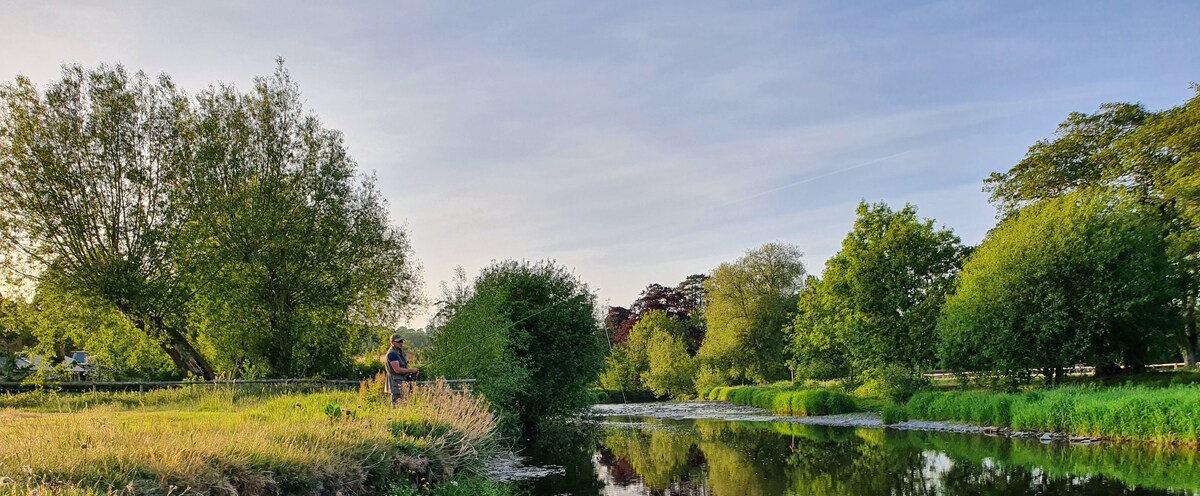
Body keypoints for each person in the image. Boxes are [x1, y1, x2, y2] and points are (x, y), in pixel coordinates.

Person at [384, 333, 420, 405]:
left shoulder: (400, 352)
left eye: (402, 341)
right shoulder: (392, 354)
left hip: (403, 383)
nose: (401, 343)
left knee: (405, 406)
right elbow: (397, 370)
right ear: (392, 342)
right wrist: (411, 370)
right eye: (398, 342)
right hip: (396, 384)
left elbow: (403, 368)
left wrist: (411, 373)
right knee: (397, 407)